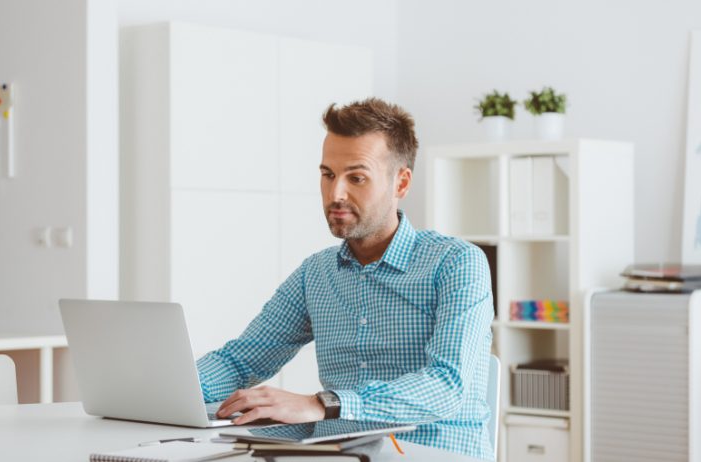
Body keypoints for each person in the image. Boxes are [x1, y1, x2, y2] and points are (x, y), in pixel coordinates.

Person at [196, 98, 494, 459]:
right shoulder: (316, 274)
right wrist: (167, 392)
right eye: (328, 175)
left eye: (357, 178)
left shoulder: (456, 263)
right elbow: (240, 361)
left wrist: (324, 404)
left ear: (401, 183)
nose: (335, 194)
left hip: (429, 452)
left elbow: (447, 385)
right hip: (337, 453)